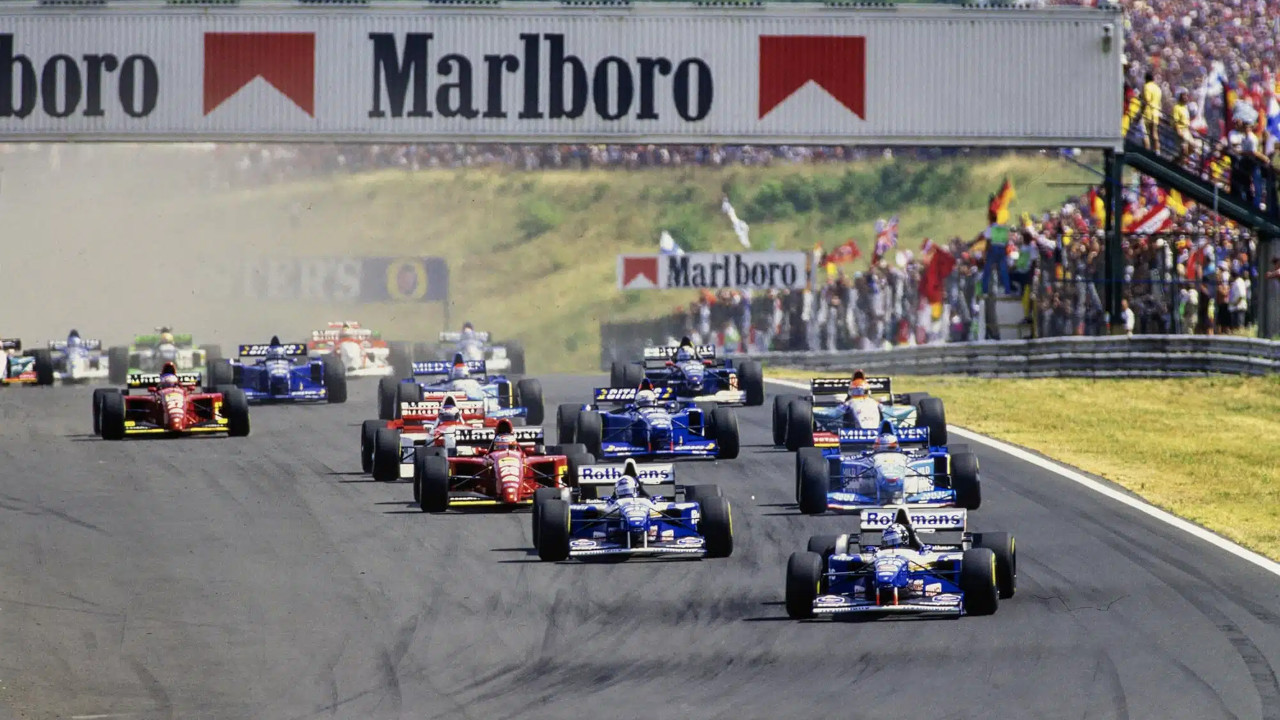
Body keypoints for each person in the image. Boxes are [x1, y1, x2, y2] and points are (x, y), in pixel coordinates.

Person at [1142, 71, 1162, 152]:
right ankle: (1157, 151)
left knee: (1145, 133)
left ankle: (1147, 151)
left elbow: (1147, 100)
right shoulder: (1157, 88)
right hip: (1156, 113)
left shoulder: (1146, 86)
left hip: (1148, 113)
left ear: (1146, 79)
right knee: (1154, 134)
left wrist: (1141, 112)